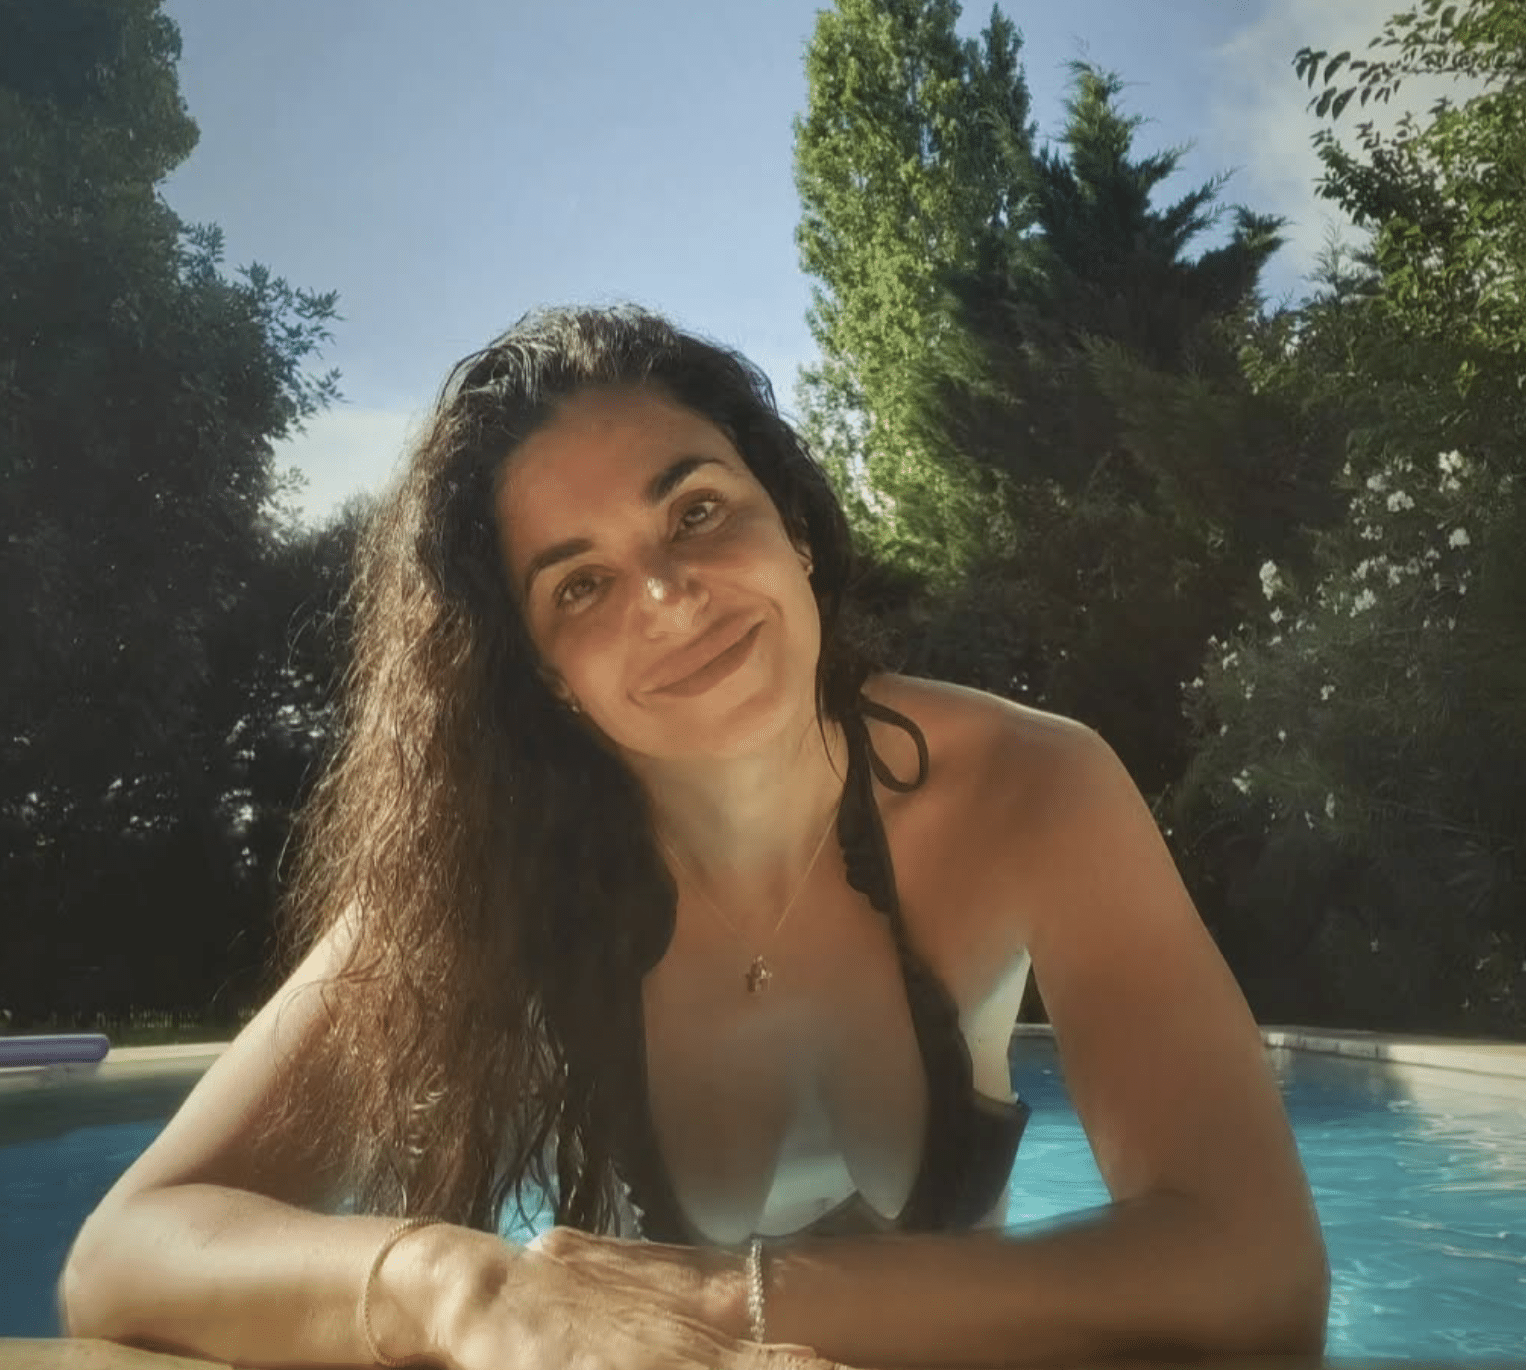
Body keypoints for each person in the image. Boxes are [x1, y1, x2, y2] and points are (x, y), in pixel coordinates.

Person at [60, 306, 1329, 1370]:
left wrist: (729, 1306)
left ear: (791, 522)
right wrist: (465, 1288)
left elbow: (1257, 1268)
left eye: (696, 512)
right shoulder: (484, 880)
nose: (669, 599)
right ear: (547, 676)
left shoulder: (1029, 787)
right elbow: (123, 1255)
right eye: (580, 584)